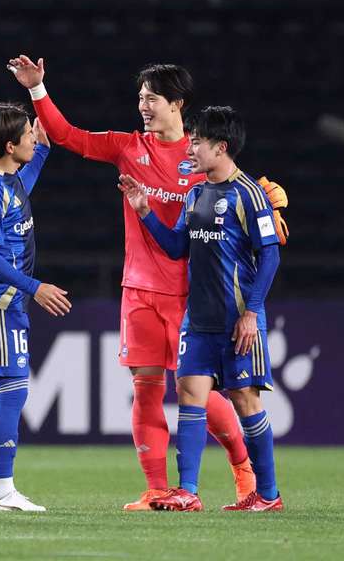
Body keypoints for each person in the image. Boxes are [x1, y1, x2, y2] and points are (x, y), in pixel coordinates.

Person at [8, 57, 260, 509]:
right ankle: (158, 490)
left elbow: (234, 195)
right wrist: (38, 89)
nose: (143, 106)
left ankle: (245, 472)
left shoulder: (200, 154)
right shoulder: (129, 147)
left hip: (194, 292)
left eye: (152, 99)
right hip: (140, 288)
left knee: (197, 389)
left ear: (177, 104)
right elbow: (69, 137)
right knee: (146, 385)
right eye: (140, 97)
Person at [118, 105, 283, 512]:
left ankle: (268, 494)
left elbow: (271, 257)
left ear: (221, 147)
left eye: (198, 142)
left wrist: (252, 313)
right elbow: (177, 248)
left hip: (238, 319)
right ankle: (187, 491)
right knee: (189, 394)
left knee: (245, 401)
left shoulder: (249, 195)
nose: (190, 147)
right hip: (199, 318)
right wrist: (145, 213)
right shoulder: (195, 194)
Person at [0, 103, 71, 512]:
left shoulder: (9, 179)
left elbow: (30, 174)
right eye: (27, 135)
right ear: (9, 145)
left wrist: (42, 145)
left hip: (4, 303)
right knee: (13, 391)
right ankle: (3, 490)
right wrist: (35, 286)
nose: (31, 138)